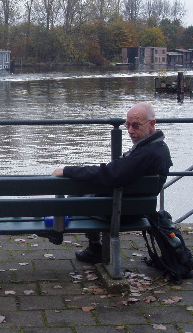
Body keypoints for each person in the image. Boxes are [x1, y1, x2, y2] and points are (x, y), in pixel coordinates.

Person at [51, 102, 173, 263]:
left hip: (121, 213)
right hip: (135, 208)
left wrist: (67, 170)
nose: (130, 131)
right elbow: (115, 173)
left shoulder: (146, 153)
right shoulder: (158, 148)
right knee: (81, 191)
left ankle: (61, 232)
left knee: (77, 195)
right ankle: (86, 243)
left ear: (152, 124)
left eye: (135, 125)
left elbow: (111, 174)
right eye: (127, 125)